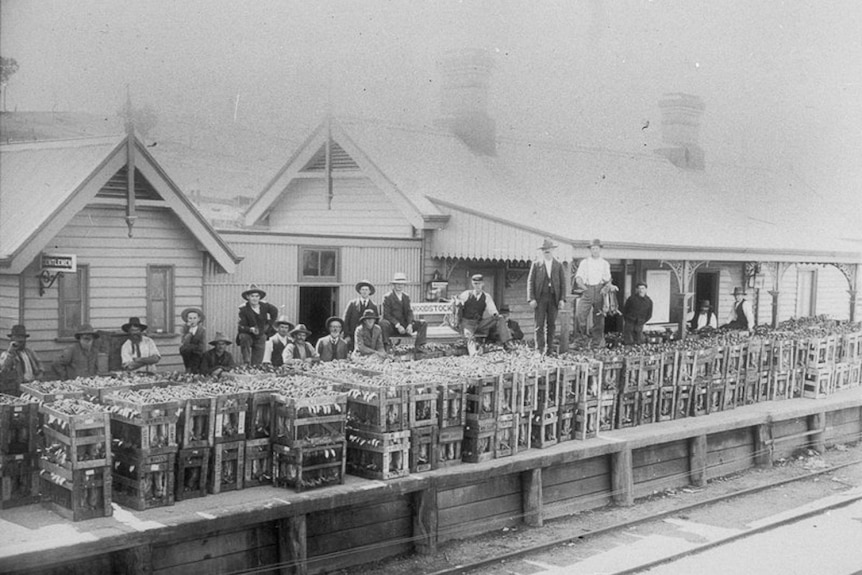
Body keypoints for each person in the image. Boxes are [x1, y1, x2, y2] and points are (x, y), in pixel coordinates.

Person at [454, 274, 513, 356]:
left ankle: (506, 344)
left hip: (479, 323)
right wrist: (458, 302)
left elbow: (493, 311)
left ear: (483, 284)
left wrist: (495, 315)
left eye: (479, 283)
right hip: (467, 323)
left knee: (500, 318)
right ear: (472, 284)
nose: (477, 286)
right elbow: (457, 301)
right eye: (475, 284)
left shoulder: (486, 297)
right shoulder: (466, 294)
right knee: (469, 337)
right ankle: (473, 353)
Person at [528, 239, 566, 353]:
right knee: (539, 324)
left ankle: (549, 349)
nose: (546, 251)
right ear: (541, 251)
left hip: (553, 297)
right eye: (544, 250)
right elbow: (530, 281)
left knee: (551, 324)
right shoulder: (536, 264)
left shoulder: (558, 265)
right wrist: (531, 298)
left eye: (548, 249)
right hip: (540, 298)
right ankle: (539, 350)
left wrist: (562, 299)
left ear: (553, 250)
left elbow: (563, 283)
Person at [575, 238, 612, 348]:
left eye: (596, 248)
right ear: (590, 250)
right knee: (580, 315)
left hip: (600, 291)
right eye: (592, 248)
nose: (594, 250)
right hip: (587, 289)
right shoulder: (585, 262)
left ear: (600, 249)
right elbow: (578, 278)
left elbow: (608, 280)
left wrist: (606, 287)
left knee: (599, 318)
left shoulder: (605, 263)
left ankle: (596, 343)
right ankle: (579, 340)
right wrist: (583, 287)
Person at [381, 272, 427, 350]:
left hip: (405, 325)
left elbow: (409, 312)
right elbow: (387, 315)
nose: (400, 286)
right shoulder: (387, 297)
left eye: (402, 284)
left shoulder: (406, 296)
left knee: (423, 323)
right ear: (394, 285)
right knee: (383, 323)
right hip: (393, 326)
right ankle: (386, 346)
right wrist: (398, 325)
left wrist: (410, 324)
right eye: (398, 284)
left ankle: (419, 346)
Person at [236, 284, 279, 365]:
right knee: (244, 337)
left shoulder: (264, 306)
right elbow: (241, 327)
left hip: (260, 334)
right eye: (252, 296)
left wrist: (269, 324)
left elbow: (275, 311)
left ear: (260, 297)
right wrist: (250, 329)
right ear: (247, 297)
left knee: (258, 359)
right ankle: (246, 363)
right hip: (248, 334)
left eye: (257, 296)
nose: (255, 298)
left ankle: (256, 366)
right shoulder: (244, 309)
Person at [0, 325, 44, 395]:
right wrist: (11, 352)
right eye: (18, 339)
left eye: (22, 339)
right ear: (12, 340)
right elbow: (4, 369)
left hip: (32, 385)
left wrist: (39, 375)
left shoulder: (30, 352)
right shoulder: (7, 355)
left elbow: (39, 364)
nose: (21, 342)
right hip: (18, 388)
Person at [343, 280, 380, 351]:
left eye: (366, 290)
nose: (364, 291)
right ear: (359, 291)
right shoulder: (352, 304)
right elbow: (345, 320)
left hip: (368, 337)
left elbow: (376, 322)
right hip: (352, 335)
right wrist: (347, 335)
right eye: (362, 289)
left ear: (370, 291)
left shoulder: (374, 306)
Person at [178, 308, 206, 374]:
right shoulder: (184, 328)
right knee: (185, 350)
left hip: (197, 353)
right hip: (187, 353)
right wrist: (189, 333)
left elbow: (202, 344)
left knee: (196, 368)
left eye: (194, 318)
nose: (192, 320)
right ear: (187, 319)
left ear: (198, 319)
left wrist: (193, 347)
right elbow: (184, 342)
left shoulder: (202, 330)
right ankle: (188, 370)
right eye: (190, 318)